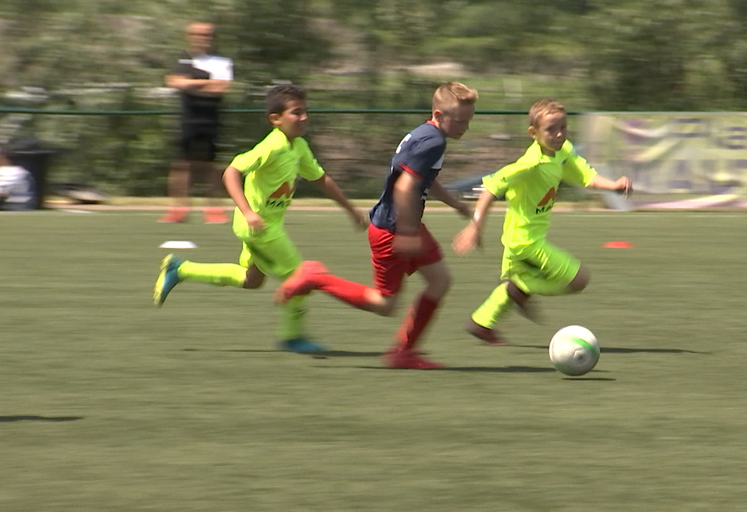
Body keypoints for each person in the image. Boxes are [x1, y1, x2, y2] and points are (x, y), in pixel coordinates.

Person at [274, 82, 479, 369]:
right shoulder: (434, 142)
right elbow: (406, 187)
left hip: (401, 223)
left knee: (440, 281)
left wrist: (456, 204)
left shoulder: (425, 134)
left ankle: (403, 352)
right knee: (384, 304)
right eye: (459, 120)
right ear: (438, 113)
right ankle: (316, 277)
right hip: (394, 228)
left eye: (468, 120)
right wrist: (407, 232)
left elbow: (424, 180)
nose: (464, 126)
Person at [153, 83, 367, 353]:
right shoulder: (272, 146)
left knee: (252, 280)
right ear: (275, 119)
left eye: (305, 112)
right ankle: (292, 337)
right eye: (296, 112)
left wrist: (350, 209)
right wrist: (248, 212)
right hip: (260, 228)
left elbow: (321, 179)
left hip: (266, 225)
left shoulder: (298, 146)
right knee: (301, 276)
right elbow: (230, 173)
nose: (303, 118)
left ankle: (180, 269)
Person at [451, 98, 632, 345]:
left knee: (520, 287)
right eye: (550, 129)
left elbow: (585, 175)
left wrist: (613, 185)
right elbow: (491, 188)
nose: (559, 134)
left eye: (563, 127)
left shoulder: (563, 151)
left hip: (528, 239)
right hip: (524, 241)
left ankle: (482, 323)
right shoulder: (530, 164)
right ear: (533, 133)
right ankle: (518, 288)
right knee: (578, 279)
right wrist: (475, 226)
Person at [160, 21, 234, 224]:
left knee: (211, 165)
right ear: (189, 36)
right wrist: (205, 83)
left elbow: (221, 88)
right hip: (187, 118)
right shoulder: (182, 60)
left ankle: (214, 210)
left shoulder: (221, 61)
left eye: (207, 35)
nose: (202, 38)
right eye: (197, 34)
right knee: (181, 164)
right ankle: (178, 210)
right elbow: (175, 82)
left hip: (211, 119)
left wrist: (191, 84)